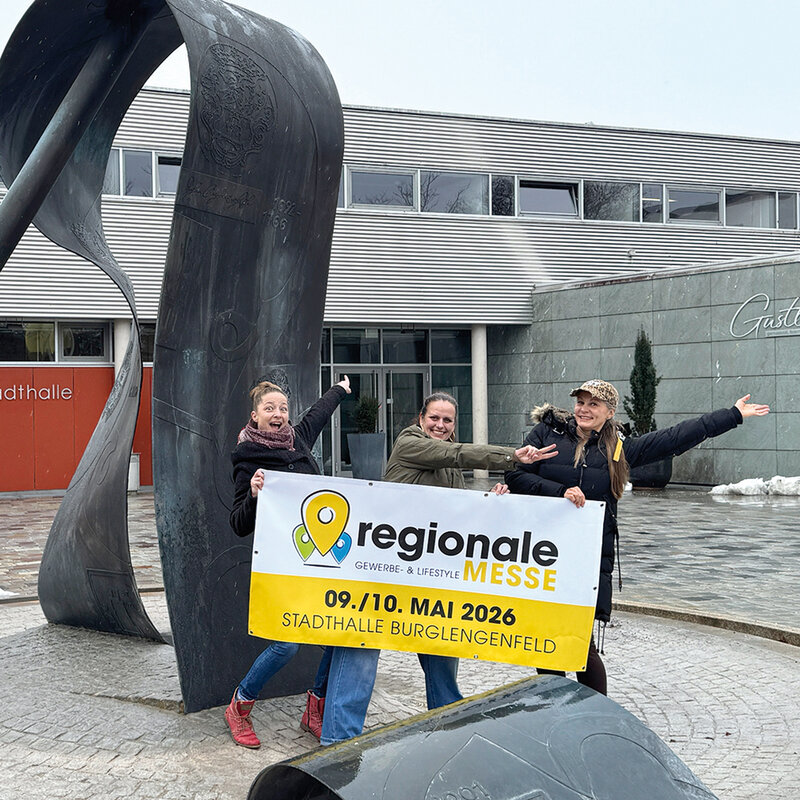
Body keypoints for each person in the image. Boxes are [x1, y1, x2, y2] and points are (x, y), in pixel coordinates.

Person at [319, 390, 557, 746]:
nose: (441, 425)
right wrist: (511, 456)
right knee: (361, 647)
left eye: (447, 420)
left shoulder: (450, 468)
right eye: (434, 418)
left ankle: (447, 727)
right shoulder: (409, 443)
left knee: (443, 647)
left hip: (430, 573)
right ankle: (337, 740)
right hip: (383, 569)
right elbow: (455, 452)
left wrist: (490, 503)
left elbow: (457, 518)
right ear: (420, 418)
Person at [505, 379, 770, 695]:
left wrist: (733, 415)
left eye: (594, 404)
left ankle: (595, 713)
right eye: (581, 402)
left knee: (579, 644)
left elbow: (675, 437)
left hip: (585, 557)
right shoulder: (546, 433)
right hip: (539, 553)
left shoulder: (617, 448)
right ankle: (554, 708)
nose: (584, 409)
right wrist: (560, 492)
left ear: (609, 411)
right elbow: (514, 474)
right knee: (545, 641)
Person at [225, 375, 351, 748]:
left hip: (318, 559)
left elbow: (320, 412)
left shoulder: (297, 439)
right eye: (270, 409)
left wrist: (340, 390)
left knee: (335, 633)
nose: (278, 414)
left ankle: (315, 707)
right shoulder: (247, 457)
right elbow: (238, 524)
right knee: (287, 646)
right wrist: (253, 494)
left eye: (283, 409)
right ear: (255, 416)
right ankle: (240, 705)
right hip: (281, 563)